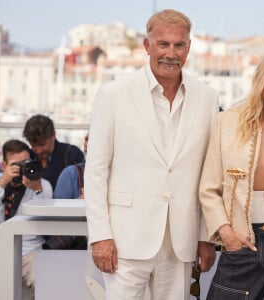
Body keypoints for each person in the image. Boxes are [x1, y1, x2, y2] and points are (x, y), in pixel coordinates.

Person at [84, 9, 218, 300]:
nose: (171, 53)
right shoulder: (114, 94)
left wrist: (205, 237)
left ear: (189, 48)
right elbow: (95, 170)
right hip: (124, 240)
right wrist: (100, 236)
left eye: (179, 45)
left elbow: (211, 172)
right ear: (147, 46)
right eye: (163, 44)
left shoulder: (207, 97)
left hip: (181, 242)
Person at [199, 46, 264, 299]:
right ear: (260, 76)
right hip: (242, 241)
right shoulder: (227, 122)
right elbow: (209, 189)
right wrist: (226, 233)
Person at [0, 139, 53, 300]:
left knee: (43, 280)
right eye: (16, 164)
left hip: (30, 250)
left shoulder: (42, 184)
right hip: (1, 247)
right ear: (4, 165)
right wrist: (2, 183)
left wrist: (36, 189)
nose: (22, 168)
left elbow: (46, 216)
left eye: (26, 162)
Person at [23, 114, 85, 190]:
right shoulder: (26, 157)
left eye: (42, 144)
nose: (39, 151)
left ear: (53, 135)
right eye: (33, 146)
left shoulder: (72, 154)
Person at [52, 132, 89, 250]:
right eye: (87, 138)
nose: (87, 143)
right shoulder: (71, 173)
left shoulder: (122, 177)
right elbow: (55, 216)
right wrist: (79, 202)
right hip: (77, 247)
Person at [54, 132, 88, 199]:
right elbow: (58, 208)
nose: (86, 144)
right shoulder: (70, 173)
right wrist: (78, 202)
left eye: (93, 140)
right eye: (86, 139)